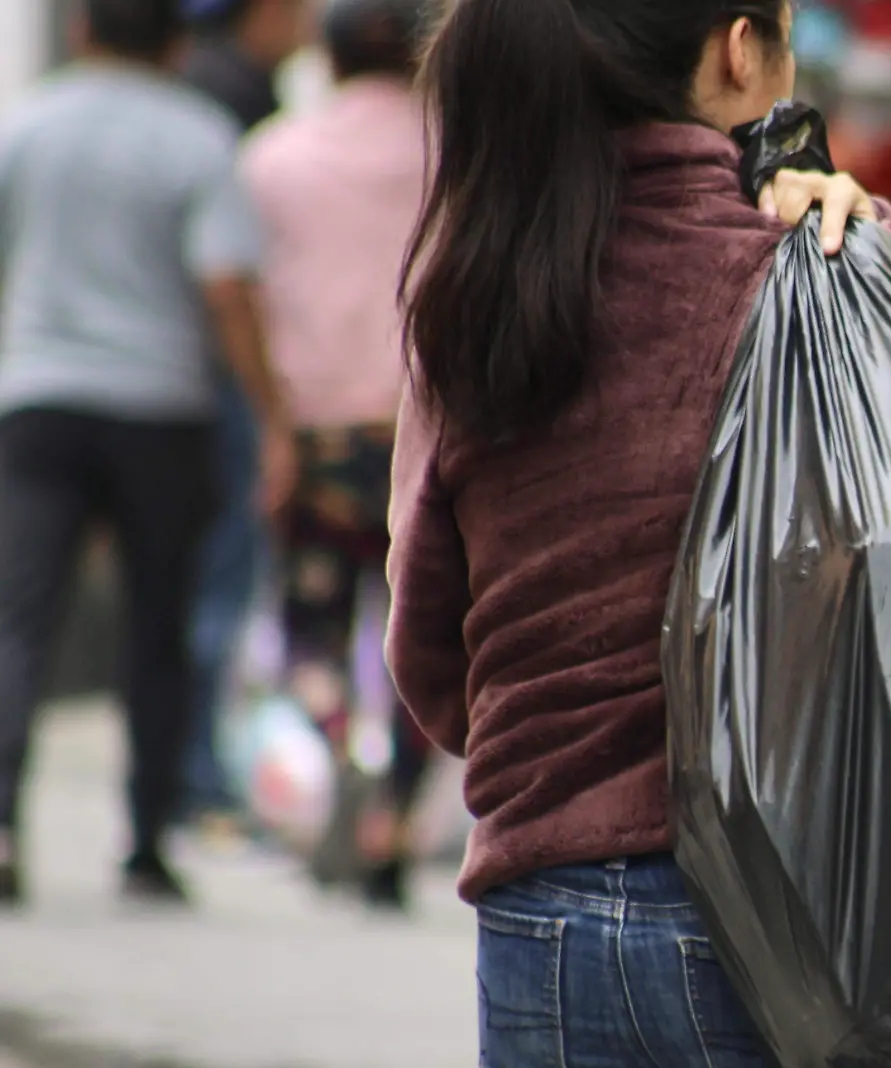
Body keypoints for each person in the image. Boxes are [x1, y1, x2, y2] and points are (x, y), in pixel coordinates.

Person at [387, 0, 891, 1063]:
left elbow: (428, 644)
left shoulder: (470, 288)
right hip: (787, 916)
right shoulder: (821, 265)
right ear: (739, 53)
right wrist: (862, 232)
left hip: (536, 903)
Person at [0, 0, 296, 906]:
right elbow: (226, 287)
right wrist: (270, 412)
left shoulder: (24, 124)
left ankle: (3, 825)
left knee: (19, 619)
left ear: (84, 32)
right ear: (174, 42)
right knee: (157, 623)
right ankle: (147, 842)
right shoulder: (200, 138)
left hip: (39, 398)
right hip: (161, 408)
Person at [239, 0, 433, 909]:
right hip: (425, 435)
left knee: (312, 627)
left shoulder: (273, 156)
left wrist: (268, 425)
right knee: (425, 635)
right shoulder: (458, 151)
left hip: (313, 434)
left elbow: (240, 289)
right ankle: (390, 810)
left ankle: (334, 738)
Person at [177, 0, 308, 828]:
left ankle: (193, 774)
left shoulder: (215, 88)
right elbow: (230, 279)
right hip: (222, 376)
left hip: (185, 377)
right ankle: (201, 776)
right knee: (223, 580)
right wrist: (268, 410)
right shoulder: (232, 108)